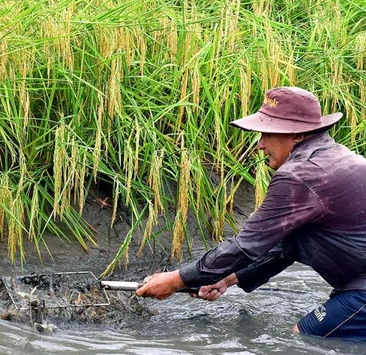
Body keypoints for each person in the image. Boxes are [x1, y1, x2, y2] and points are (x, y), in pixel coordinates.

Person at [136, 87, 366, 341]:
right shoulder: (336, 157)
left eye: (267, 134)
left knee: (302, 338)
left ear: (297, 135)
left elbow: (245, 246)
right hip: (358, 284)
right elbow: (286, 247)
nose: (260, 145)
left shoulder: (300, 175)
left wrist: (176, 279)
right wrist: (226, 279)